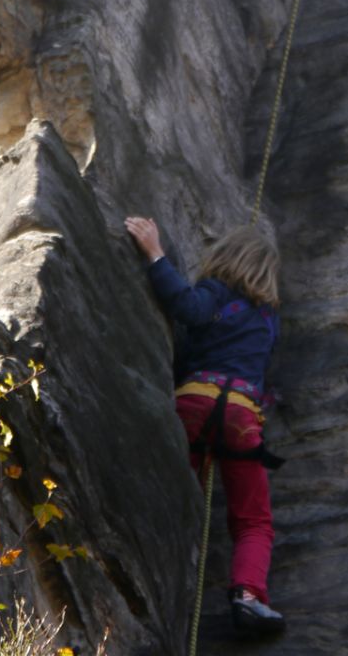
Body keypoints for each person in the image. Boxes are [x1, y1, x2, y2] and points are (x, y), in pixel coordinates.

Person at [125, 215, 285, 638]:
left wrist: (155, 254)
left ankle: (156, 583)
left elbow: (187, 307)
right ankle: (248, 597)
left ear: (225, 258)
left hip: (194, 400)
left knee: (180, 496)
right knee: (252, 519)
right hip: (241, 415)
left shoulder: (215, 291)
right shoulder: (268, 320)